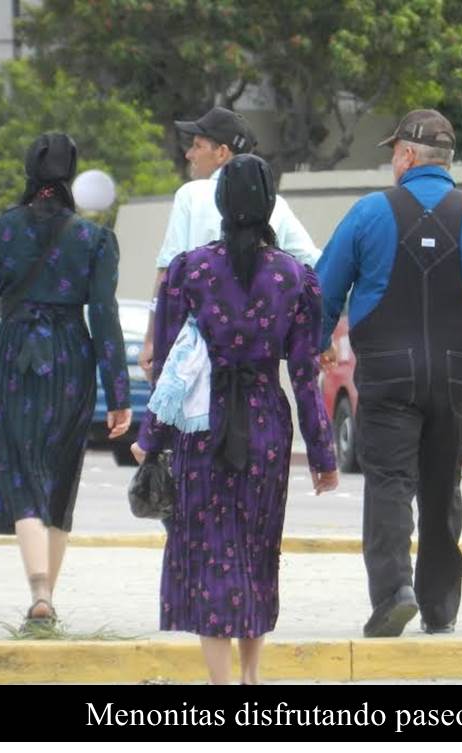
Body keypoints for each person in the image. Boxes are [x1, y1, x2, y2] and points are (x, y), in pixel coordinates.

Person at [130, 153, 338, 685]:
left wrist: (151, 436)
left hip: (201, 425)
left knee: (210, 551)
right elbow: (306, 375)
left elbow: (173, 365)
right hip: (267, 422)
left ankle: (222, 684)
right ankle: (251, 676)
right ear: (270, 205)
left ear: (221, 204)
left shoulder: (188, 270)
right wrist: (323, 455)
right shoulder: (297, 277)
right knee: (256, 549)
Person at [315, 109, 462, 637]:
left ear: (407, 155)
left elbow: (323, 292)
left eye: (393, 152)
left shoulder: (368, 213)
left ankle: (393, 594)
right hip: (456, 376)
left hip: (387, 374)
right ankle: (440, 605)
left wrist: (314, 346)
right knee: (442, 486)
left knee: (388, 482)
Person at [0, 132, 132, 628]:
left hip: (15, 354)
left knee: (19, 468)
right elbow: (104, 318)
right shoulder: (94, 239)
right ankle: (47, 600)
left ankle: (37, 589)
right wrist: (119, 395)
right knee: (61, 473)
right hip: (71, 357)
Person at [139, 106, 321, 381]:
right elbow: (316, 264)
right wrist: (322, 334)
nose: (189, 154)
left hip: (194, 354)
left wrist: (152, 340)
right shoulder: (278, 206)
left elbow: (167, 274)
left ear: (222, 152)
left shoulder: (191, 195)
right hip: (256, 360)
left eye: (197, 146)